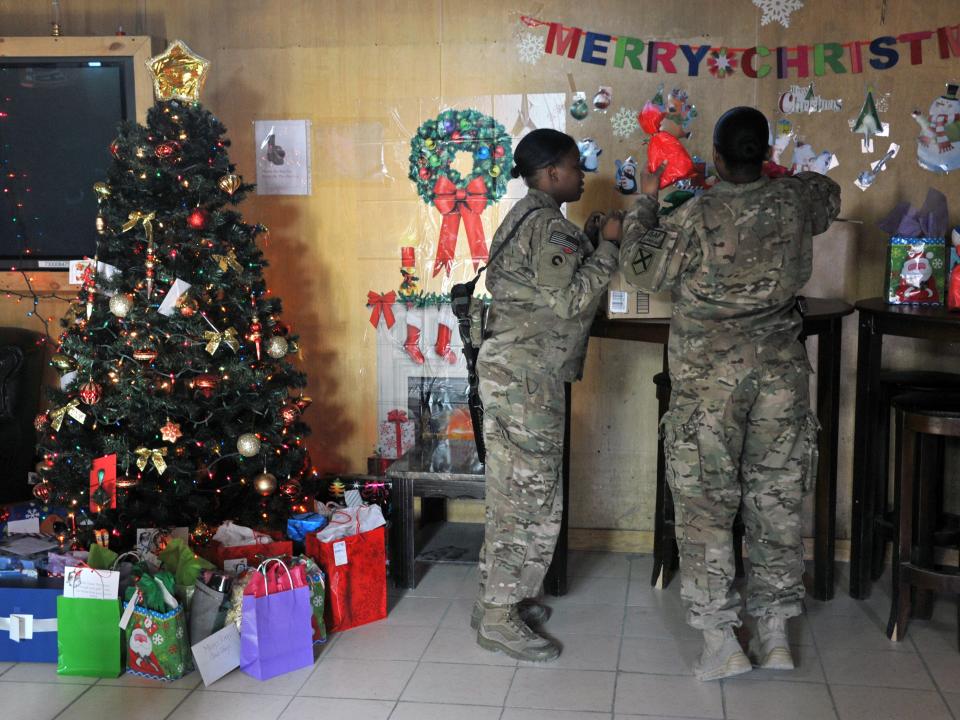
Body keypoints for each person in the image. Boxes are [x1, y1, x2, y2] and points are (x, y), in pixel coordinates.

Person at [619, 107, 841, 680]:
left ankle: (721, 641)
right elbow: (829, 193)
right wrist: (773, 172)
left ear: (715, 158)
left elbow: (642, 270)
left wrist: (644, 204)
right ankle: (775, 636)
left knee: (706, 506)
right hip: (780, 377)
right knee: (776, 500)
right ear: (761, 153)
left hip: (707, 385)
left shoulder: (695, 214)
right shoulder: (795, 202)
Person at [472, 128, 620, 661]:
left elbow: (548, 285)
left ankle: (494, 603)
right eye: (575, 166)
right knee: (525, 498)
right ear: (552, 173)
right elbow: (571, 300)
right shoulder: (549, 229)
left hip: (514, 376)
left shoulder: (524, 218)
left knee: (512, 491)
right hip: (526, 382)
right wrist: (610, 249)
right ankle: (497, 616)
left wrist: (592, 241)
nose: (583, 175)